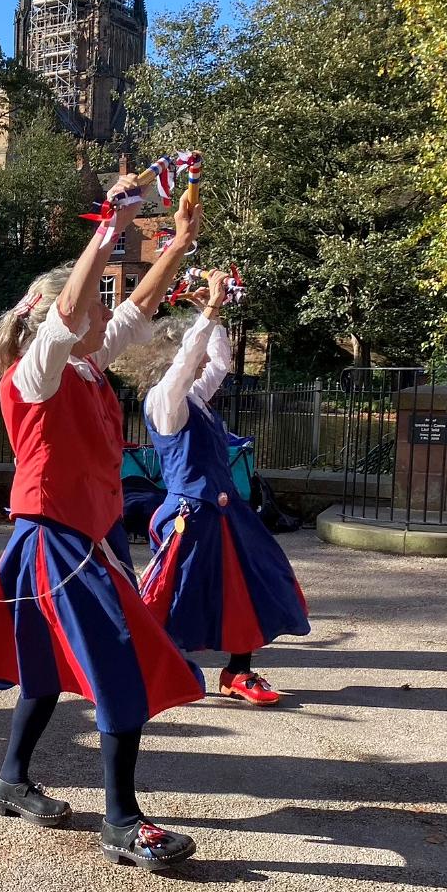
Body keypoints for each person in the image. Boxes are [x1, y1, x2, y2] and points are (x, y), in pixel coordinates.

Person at [0, 180, 207, 871]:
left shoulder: (89, 369)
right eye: (93, 301)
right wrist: (109, 229)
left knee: (44, 673)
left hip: (84, 540)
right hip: (57, 541)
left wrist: (179, 243)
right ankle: (122, 821)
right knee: (120, 662)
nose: (105, 312)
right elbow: (68, 315)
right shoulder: (36, 371)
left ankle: (10, 780)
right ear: (54, 317)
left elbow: (140, 305)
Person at [138, 271, 310, 705]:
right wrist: (210, 310)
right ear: (172, 357)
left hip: (227, 510)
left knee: (250, 583)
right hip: (189, 515)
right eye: (187, 350)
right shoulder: (164, 401)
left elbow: (219, 363)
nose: (195, 360)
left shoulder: (195, 397)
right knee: (175, 595)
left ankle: (238, 671)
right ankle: (148, 666)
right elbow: (185, 367)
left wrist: (210, 318)